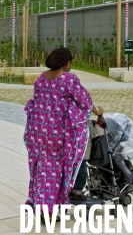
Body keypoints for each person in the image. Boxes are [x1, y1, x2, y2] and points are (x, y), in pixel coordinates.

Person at [24, 47, 103, 219]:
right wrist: (98, 111)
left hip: (38, 133)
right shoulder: (69, 79)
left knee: (42, 169)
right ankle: (49, 211)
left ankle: (38, 203)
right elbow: (85, 101)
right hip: (59, 135)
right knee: (56, 170)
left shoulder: (41, 79)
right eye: (71, 63)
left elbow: (36, 102)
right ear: (67, 63)